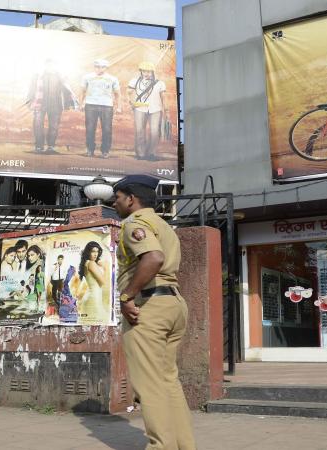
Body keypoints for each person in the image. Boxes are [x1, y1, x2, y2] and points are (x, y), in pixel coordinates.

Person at [112, 174, 196, 449]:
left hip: (149, 307)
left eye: (118, 197)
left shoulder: (134, 223)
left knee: (149, 386)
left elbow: (153, 257)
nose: (115, 203)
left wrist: (127, 297)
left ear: (131, 199)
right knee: (168, 381)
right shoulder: (164, 225)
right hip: (173, 304)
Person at [26, 59, 77, 154]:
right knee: (37, 125)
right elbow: (31, 88)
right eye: (48, 65)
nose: (50, 67)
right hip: (39, 103)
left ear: (55, 66)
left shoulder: (60, 76)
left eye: (52, 65)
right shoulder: (37, 75)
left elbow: (67, 90)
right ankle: (38, 147)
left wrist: (67, 104)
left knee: (54, 126)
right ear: (45, 65)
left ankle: (51, 148)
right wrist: (29, 101)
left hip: (55, 104)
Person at [79, 59, 121, 158]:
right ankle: (90, 150)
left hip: (107, 106)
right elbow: (82, 91)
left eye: (103, 67)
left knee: (107, 129)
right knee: (90, 129)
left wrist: (119, 106)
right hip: (90, 105)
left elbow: (118, 94)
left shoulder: (112, 79)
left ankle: (105, 151)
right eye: (97, 67)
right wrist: (81, 103)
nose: (100, 69)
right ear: (94, 67)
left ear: (106, 68)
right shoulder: (87, 77)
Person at [127, 61, 169, 161]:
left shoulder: (160, 83)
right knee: (139, 131)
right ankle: (141, 153)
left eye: (149, 71)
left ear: (153, 72)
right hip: (140, 108)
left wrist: (166, 110)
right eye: (144, 71)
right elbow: (128, 92)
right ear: (141, 71)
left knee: (155, 132)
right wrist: (131, 102)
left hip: (155, 109)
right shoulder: (134, 81)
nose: (147, 73)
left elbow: (164, 97)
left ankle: (151, 153)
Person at [73, 241, 108, 324]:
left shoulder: (87, 263)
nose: (95, 254)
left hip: (91, 296)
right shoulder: (91, 263)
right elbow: (103, 282)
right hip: (94, 298)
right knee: (97, 323)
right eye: (93, 251)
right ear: (88, 252)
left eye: (97, 251)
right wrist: (106, 268)